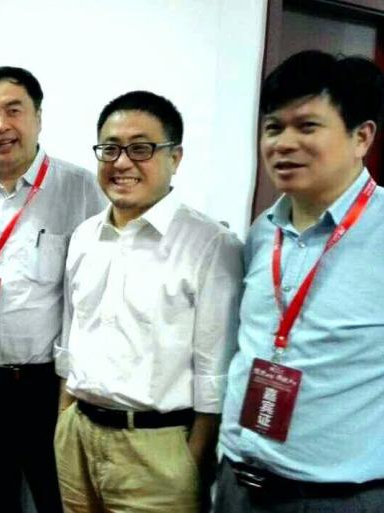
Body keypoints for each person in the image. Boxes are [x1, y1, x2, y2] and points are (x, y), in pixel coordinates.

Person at [54, 91, 242, 512]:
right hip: (77, 435)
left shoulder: (211, 245)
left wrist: (190, 462)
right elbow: (70, 337)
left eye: (140, 149)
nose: (121, 162)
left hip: (157, 451)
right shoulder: (84, 236)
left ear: (175, 157)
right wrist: (64, 418)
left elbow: (215, 373)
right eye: (110, 149)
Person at [215, 50, 384, 512]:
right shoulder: (263, 231)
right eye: (273, 128)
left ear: (361, 137)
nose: (283, 143)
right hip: (237, 484)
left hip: (336, 497)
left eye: (307, 126)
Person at [0, 66, 104, 513]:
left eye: (13, 111)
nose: (1, 126)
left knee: (55, 499)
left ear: (38, 117)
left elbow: (93, 295)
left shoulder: (81, 190)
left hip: (45, 388)